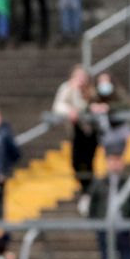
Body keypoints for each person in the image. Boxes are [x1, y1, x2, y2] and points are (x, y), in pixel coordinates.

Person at [87, 152, 130, 259]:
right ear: (107, 163)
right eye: (112, 161)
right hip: (105, 229)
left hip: (123, 229)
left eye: (117, 161)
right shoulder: (99, 183)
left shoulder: (127, 183)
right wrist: (96, 223)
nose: (115, 164)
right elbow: (92, 205)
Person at [52, 66, 96, 195]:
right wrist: (70, 110)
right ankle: (84, 188)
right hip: (76, 131)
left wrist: (78, 95)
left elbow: (84, 107)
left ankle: (88, 190)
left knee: (88, 161)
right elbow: (58, 106)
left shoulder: (91, 91)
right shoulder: (67, 88)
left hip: (90, 132)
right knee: (75, 162)